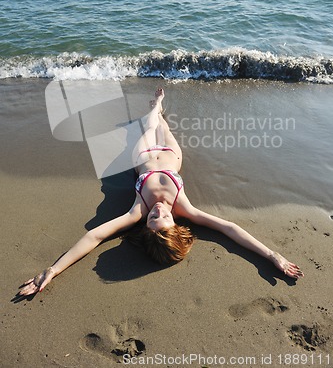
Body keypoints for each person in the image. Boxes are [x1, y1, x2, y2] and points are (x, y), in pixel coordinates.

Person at [18, 88, 303, 296]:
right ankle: (158, 106)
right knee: (161, 125)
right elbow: (229, 228)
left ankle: (155, 107)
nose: (157, 212)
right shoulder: (184, 209)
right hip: (170, 155)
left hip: (141, 157)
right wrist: (271, 255)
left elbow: (96, 235)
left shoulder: (137, 211)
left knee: (149, 124)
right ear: (176, 226)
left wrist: (53, 270)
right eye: (162, 218)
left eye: (152, 220)